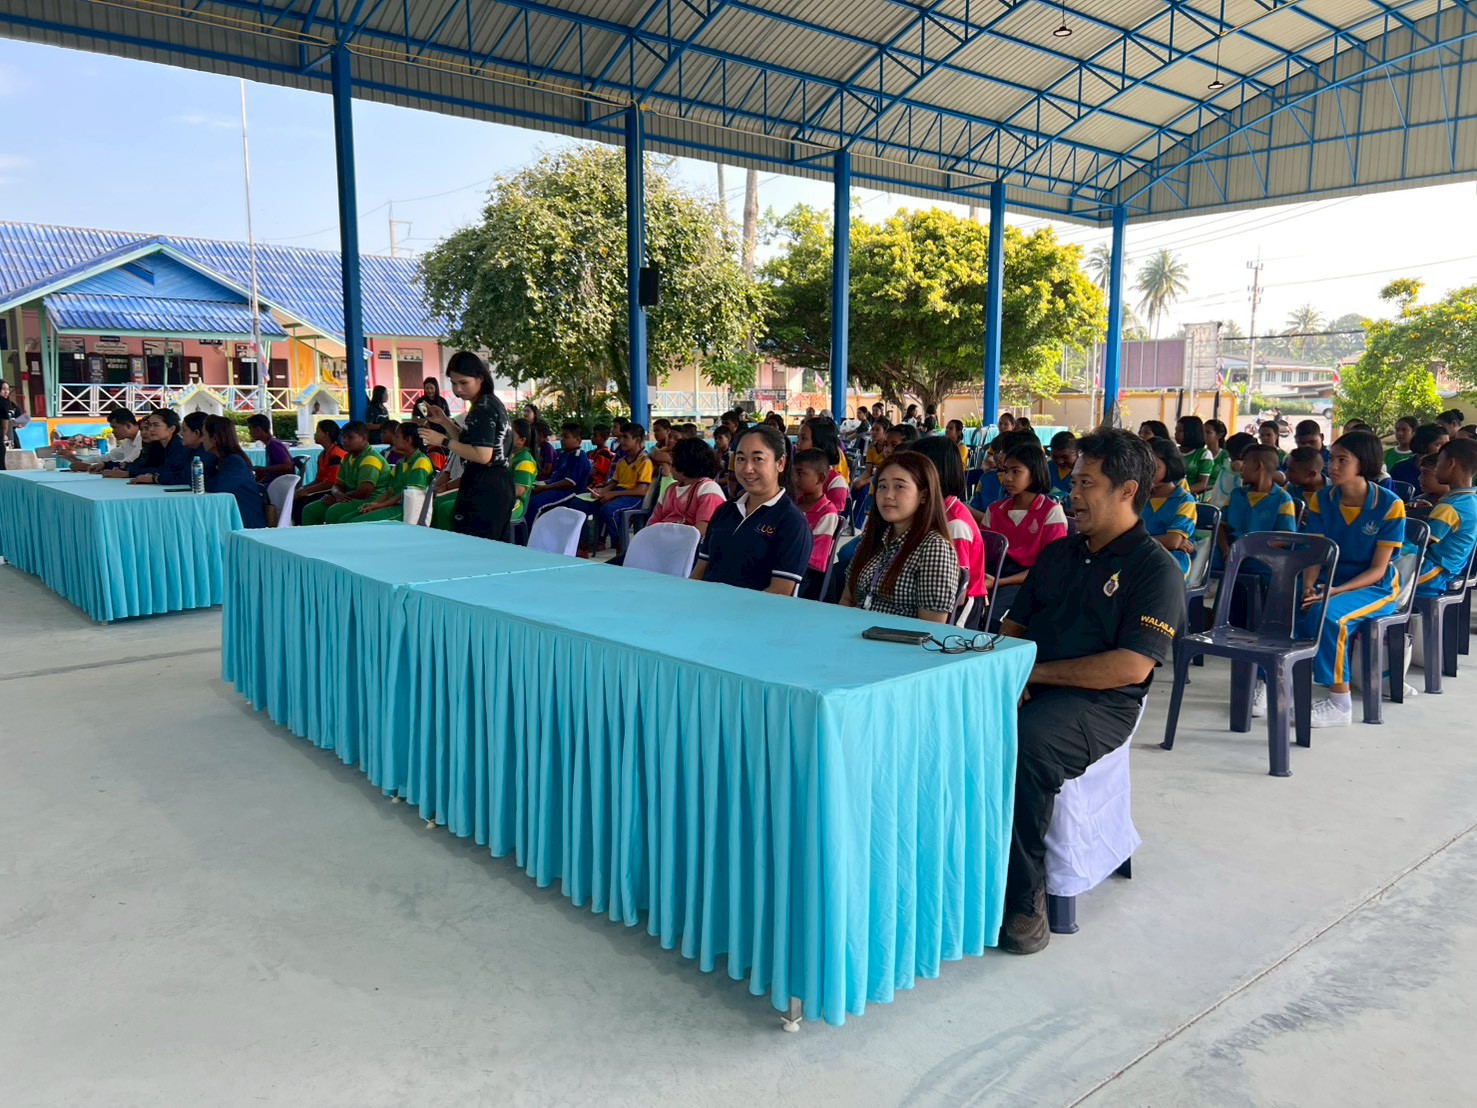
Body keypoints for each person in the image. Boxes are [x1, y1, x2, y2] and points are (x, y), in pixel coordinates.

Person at [998, 429, 1187, 954]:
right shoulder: (1059, 555)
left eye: (1086, 483)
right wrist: (1007, 676)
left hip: (1102, 703)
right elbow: (1014, 627)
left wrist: (1033, 675)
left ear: (1127, 490)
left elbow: (1129, 666)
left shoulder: (1155, 570)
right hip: (1033, 682)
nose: (1073, 494)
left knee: (1027, 745)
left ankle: (1024, 897)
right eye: (1074, 482)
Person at [1298, 430, 1407, 728]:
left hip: (1374, 586)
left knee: (1329, 616)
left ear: (1364, 463)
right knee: (1285, 604)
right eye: (1331, 458)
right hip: (1330, 578)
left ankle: (1340, 703)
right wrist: (1308, 585)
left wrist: (1335, 591)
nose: (1332, 466)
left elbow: (1378, 569)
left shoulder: (1390, 504)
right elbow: (1316, 552)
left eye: (1342, 460)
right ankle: (1268, 684)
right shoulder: (1322, 499)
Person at [840, 450, 960, 620]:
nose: (888, 495)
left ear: (924, 495)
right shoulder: (873, 538)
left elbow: (930, 627)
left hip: (896, 637)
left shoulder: (934, 548)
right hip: (852, 630)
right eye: (882, 486)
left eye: (899, 486)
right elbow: (847, 599)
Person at [693, 424, 812, 594]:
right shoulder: (724, 511)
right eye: (741, 459)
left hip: (753, 609)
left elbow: (780, 591)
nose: (747, 469)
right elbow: (699, 572)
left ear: (780, 463)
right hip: (707, 604)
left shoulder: (792, 522)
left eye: (758, 459)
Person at [423, 352, 513, 541]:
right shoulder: (487, 403)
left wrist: (443, 441)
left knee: (477, 547)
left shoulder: (483, 408)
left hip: (486, 486)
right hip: (495, 484)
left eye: (464, 383)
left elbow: (482, 455)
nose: (458, 389)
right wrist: (444, 421)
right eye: (453, 383)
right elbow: (470, 442)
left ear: (480, 378)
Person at [982, 439, 1069, 621]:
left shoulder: (1051, 512)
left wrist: (999, 582)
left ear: (1034, 473)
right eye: (1006, 471)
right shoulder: (995, 510)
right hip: (993, 575)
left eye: (1016, 471)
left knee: (994, 618)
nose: (1007, 478)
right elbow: (982, 553)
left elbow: (1049, 568)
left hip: (1028, 582)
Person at [912, 435, 989, 628]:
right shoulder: (931, 510)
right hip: (929, 595)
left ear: (934, 472)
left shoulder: (955, 525)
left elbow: (957, 595)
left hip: (958, 611)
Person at [325, 422, 435, 524]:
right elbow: (390, 491)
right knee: (345, 519)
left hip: (407, 509)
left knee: (355, 522)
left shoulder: (421, 462)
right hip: (393, 505)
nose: (393, 439)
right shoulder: (401, 462)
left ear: (409, 440)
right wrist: (375, 504)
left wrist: (379, 506)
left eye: (397, 436)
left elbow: (405, 495)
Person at [1414, 439, 1477, 597]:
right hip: (1450, 571)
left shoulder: (1449, 507)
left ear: (1451, 463)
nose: (1436, 469)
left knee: (1375, 571)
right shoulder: (1471, 500)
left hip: (1432, 574)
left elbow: (1420, 543)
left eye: (1439, 462)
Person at [576, 422, 653, 551]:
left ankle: (621, 544)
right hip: (618, 494)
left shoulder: (645, 462)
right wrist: (601, 491)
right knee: (579, 504)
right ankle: (584, 544)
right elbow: (614, 483)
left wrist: (612, 494)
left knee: (608, 510)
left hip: (633, 497)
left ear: (638, 440)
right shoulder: (622, 461)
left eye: (625, 437)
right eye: (621, 437)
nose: (621, 441)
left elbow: (641, 490)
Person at [1219, 444, 1298, 562]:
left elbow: (1286, 537)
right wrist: (1225, 549)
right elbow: (1221, 527)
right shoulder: (1236, 494)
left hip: (1263, 560)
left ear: (1258, 466)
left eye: (1245, 462)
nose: (1241, 467)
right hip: (1230, 555)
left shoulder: (1283, 499)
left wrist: (1248, 550)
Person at [301, 421, 389, 524]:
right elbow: (337, 485)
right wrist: (337, 494)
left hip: (370, 501)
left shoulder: (371, 459)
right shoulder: (347, 457)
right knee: (310, 510)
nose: (345, 440)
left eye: (350, 437)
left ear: (364, 439)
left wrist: (336, 499)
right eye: (343, 437)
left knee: (335, 512)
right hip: (349, 498)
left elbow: (364, 492)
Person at [1142, 438, 1199, 579]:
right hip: (1138, 554)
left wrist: (1134, 542)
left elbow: (1172, 542)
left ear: (1171, 466)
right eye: (1144, 466)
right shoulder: (1138, 496)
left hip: (1171, 558)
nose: (1148, 472)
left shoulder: (1184, 500)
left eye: (1155, 468)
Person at [791, 448, 843, 600]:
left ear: (820, 478)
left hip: (805, 576)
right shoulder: (793, 504)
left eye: (801, 473)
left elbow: (815, 560)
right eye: (793, 473)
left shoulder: (827, 513)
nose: (794, 479)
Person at [648, 437, 726, 537]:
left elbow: (701, 532)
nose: (670, 463)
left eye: (674, 460)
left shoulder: (708, 488)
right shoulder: (670, 490)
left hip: (687, 545)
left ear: (686, 462)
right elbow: (652, 524)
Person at [200, 415, 268, 529]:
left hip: (245, 522)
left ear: (214, 438)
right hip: (231, 517)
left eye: (204, 435)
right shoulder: (221, 459)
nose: (202, 440)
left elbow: (216, 487)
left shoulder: (234, 462)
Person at [527, 421, 593, 520]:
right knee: (528, 493)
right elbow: (556, 477)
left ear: (578, 440)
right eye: (562, 436)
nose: (562, 440)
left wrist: (545, 488)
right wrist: (541, 483)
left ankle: (530, 530)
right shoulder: (564, 454)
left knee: (535, 504)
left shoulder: (579, 457)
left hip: (569, 492)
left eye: (566, 437)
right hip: (556, 488)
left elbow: (570, 483)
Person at [292, 420, 348, 524]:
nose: (314, 434)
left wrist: (306, 491)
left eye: (317, 431)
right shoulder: (322, 455)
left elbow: (331, 483)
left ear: (326, 434)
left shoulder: (336, 455)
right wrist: (302, 489)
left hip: (336, 491)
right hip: (328, 489)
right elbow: (319, 480)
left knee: (301, 505)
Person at [127, 409, 192, 486]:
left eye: (156, 425)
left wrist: (130, 473)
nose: (151, 429)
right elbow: (145, 465)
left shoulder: (179, 447)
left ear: (171, 429)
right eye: (150, 425)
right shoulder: (157, 444)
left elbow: (166, 471)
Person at [797, 416, 849, 508]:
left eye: (804, 438)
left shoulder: (836, 482)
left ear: (819, 443)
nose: (798, 443)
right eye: (798, 438)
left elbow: (832, 515)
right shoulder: (794, 474)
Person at [1390, 423, 1448, 489]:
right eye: (1439, 444)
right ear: (1423, 445)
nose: (1445, 449)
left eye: (1447, 444)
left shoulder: (1448, 469)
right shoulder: (1399, 469)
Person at [507, 419, 539, 526]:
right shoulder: (512, 455)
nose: (505, 435)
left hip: (515, 505)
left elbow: (518, 490)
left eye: (510, 433)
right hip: (505, 498)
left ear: (521, 440)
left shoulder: (525, 460)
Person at [246, 413, 294, 483]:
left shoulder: (273, 444)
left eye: (250, 429)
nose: (249, 433)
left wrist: (264, 469)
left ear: (258, 429)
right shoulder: (270, 443)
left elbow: (288, 466)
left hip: (280, 484)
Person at [1175, 415, 1214, 497]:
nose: (1176, 434)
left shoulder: (1204, 454)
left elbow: (1202, 484)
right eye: (1176, 430)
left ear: (1191, 433)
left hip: (1188, 496)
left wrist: (1179, 493)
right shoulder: (1173, 451)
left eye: (1180, 431)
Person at [1047, 432, 1078, 501]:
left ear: (1077, 452)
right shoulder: (1047, 467)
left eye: (1065, 457)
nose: (1059, 461)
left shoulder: (1082, 471)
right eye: (1054, 456)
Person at [0, 379, 19, 471]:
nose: (6, 392)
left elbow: (20, 416)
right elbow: (4, 425)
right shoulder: (2, 404)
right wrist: (3, 435)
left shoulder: (11, 404)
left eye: (7, 389)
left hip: (12, 434)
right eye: (3, 389)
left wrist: (19, 422)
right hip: (3, 435)